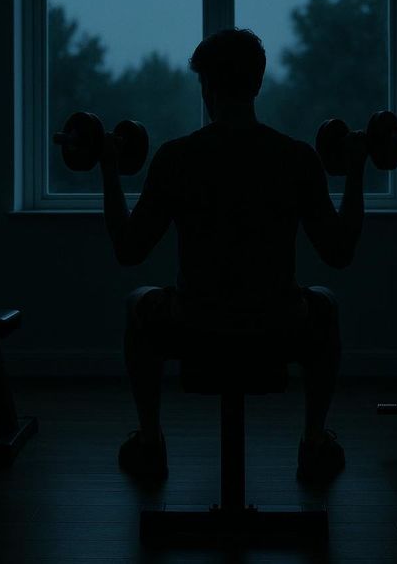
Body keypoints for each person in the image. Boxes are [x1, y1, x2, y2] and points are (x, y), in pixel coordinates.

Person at [100, 28, 366, 483]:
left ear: (206, 87)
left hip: (195, 326)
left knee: (138, 301)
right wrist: (356, 172)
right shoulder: (297, 158)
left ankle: (149, 443)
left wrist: (109, 168)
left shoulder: (176, 158)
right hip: (278, 325)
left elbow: (128, 249)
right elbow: (339, 252)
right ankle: (314, 443)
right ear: (258, 83)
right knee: (324, 302)